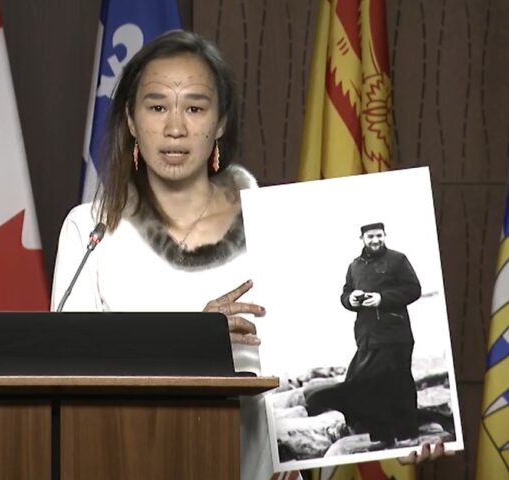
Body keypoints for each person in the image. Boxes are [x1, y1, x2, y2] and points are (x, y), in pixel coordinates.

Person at [50, 30, 444, 478]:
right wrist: (192, 341)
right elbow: (66, 373)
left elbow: (297, 374)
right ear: (130, 119)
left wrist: (401, 435)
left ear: (220, 121)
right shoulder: (92, 230)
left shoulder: (276, 230)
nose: (175, 128)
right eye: (157, 107)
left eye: (194, 108)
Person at [307, 222, 422, 446]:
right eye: (370, 236)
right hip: (366, 336)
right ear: (362, 239)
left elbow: (414, 289)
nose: (375, 240)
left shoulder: (397, 259)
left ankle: (408, 434)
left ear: (385, 235)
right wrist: (350, 300)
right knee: (370, 386)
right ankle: (382, 436)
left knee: (399, 383)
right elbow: (345, 293)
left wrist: (382, 298)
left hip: (396, 334)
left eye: (379, 235)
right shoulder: (354, 266)